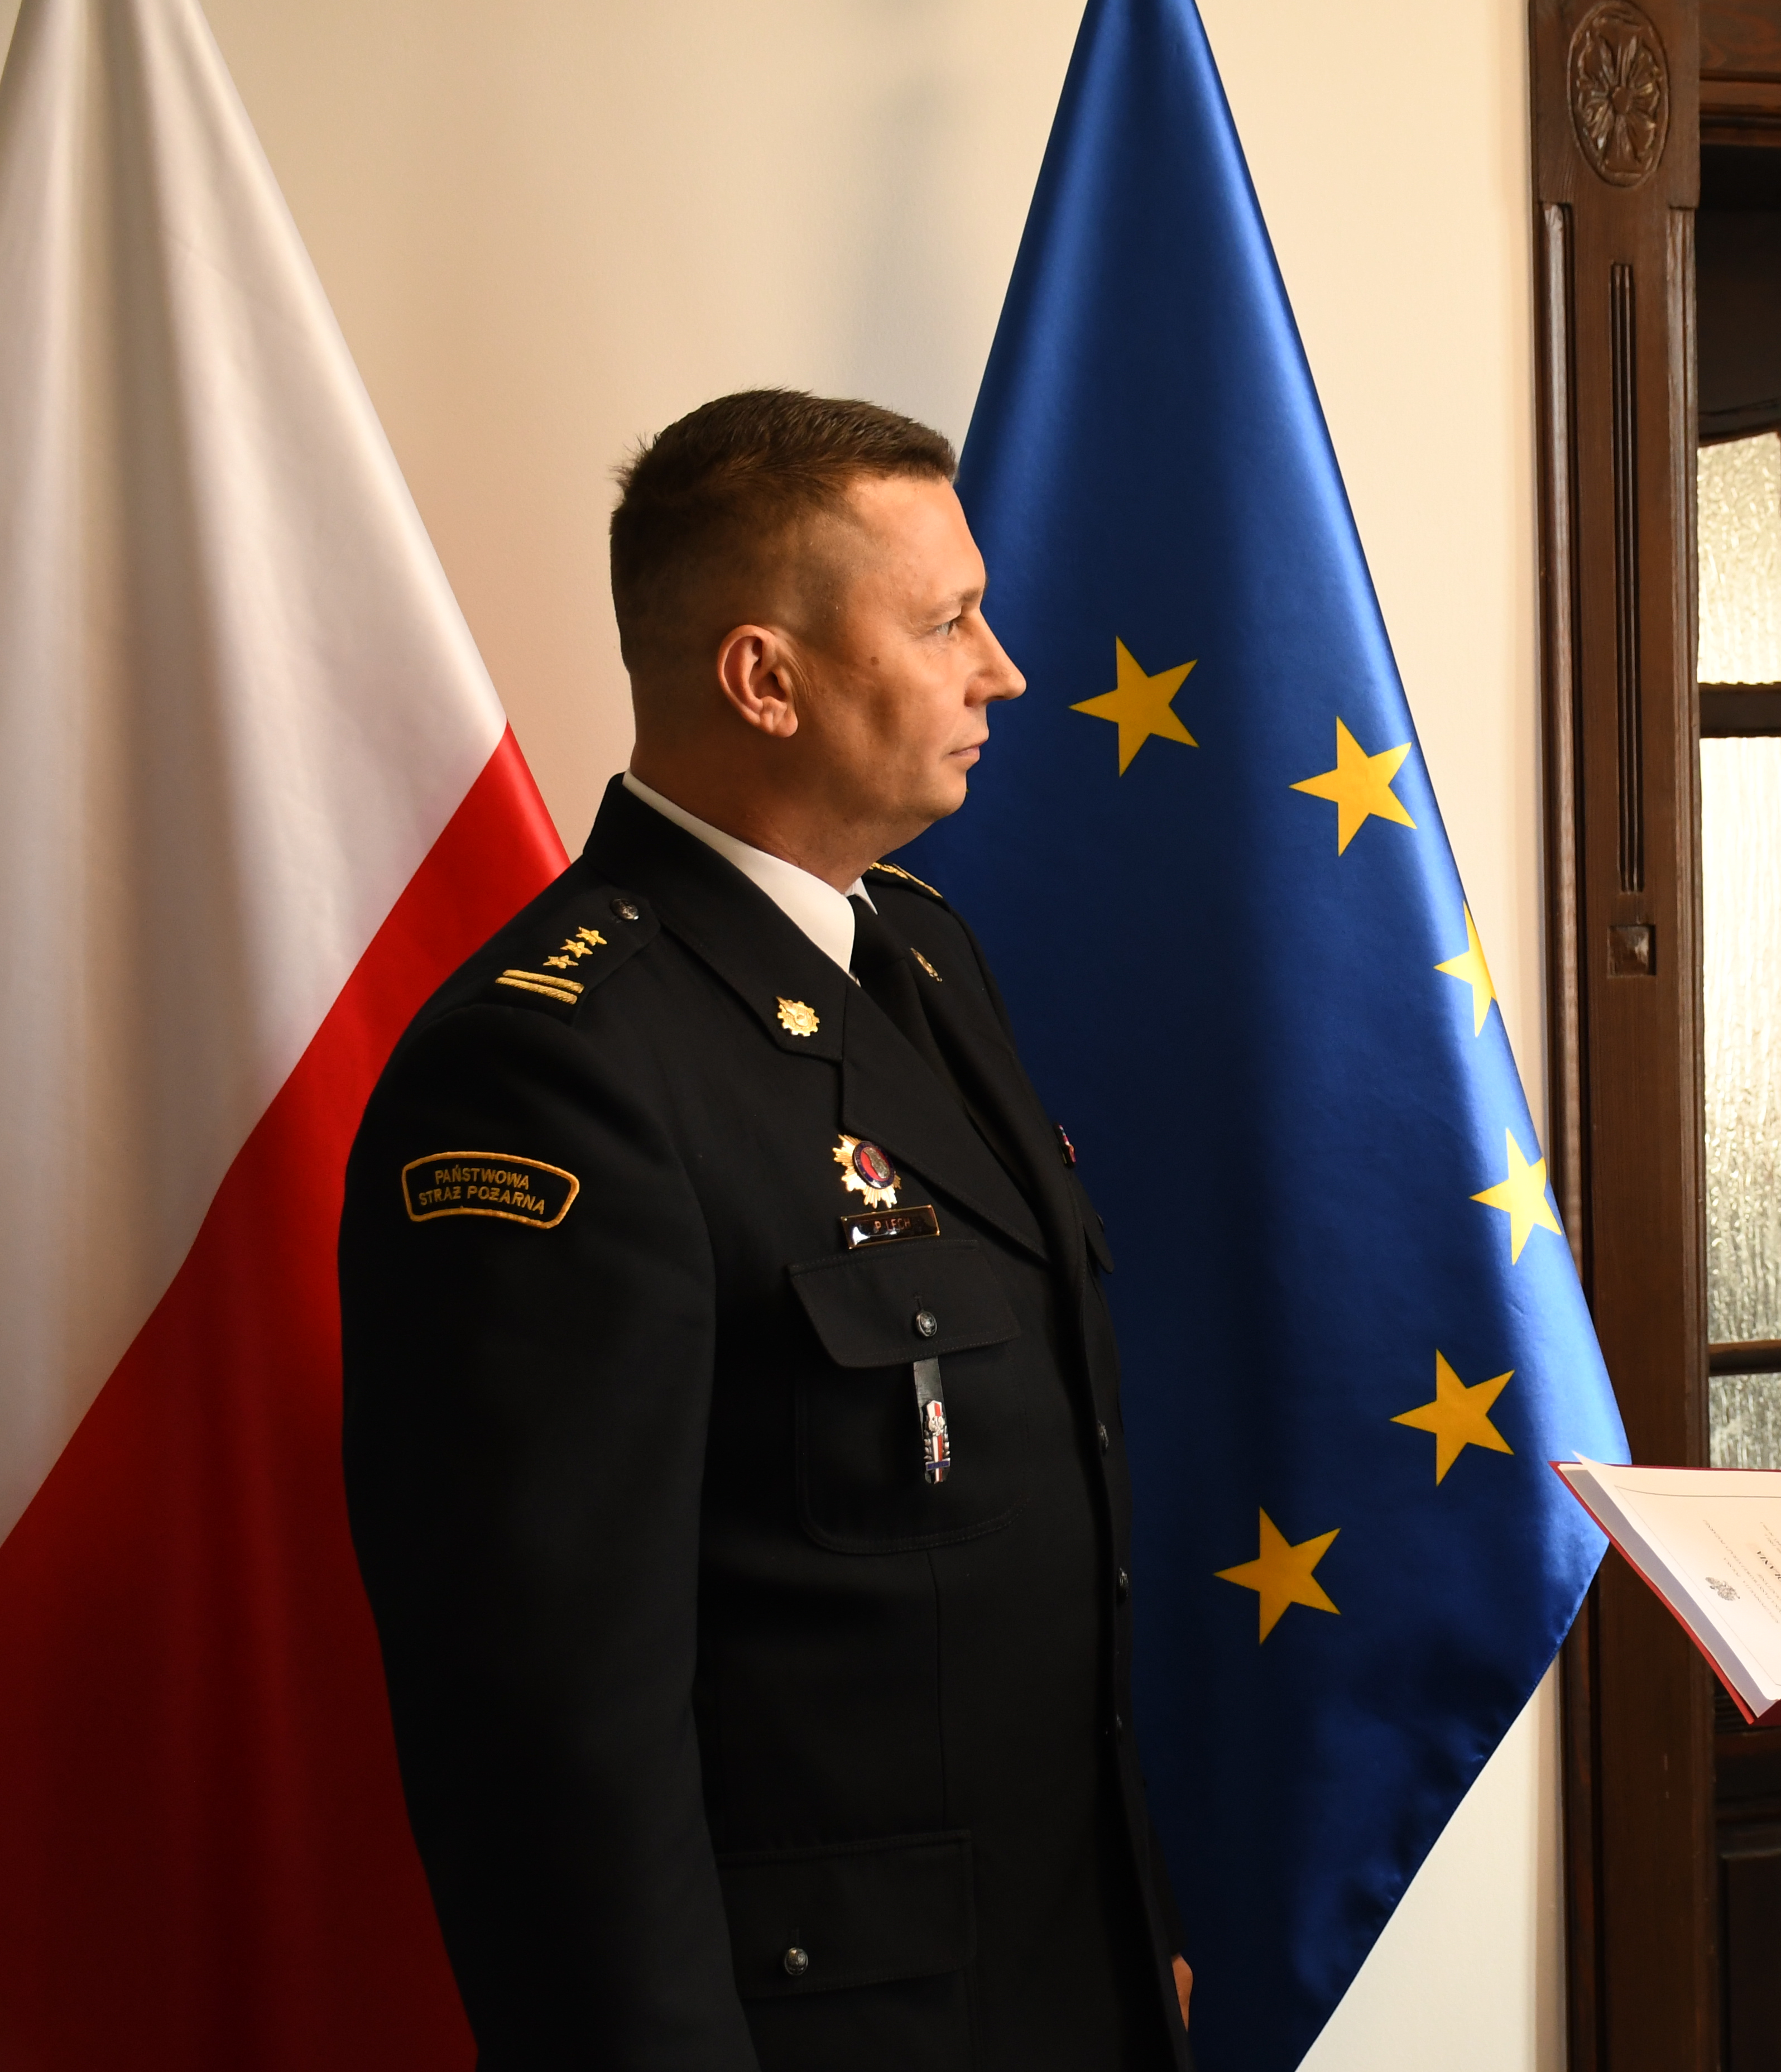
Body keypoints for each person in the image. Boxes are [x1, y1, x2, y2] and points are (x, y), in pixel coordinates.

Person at [340, 391, 1191, 2070]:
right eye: (946, 622)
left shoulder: (922, 955)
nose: (1004, 670)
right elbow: (550, 1733)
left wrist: (1121, 1931)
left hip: (1053, 1987)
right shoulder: (554, 1071)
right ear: (765, 678)